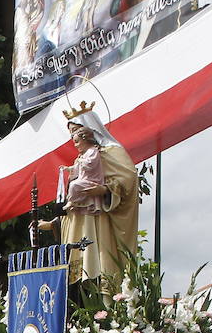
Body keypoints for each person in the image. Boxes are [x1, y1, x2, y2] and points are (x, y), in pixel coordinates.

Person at [35, 110, 139, 291]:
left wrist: (105, 189)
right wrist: (54, 224)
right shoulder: (80, 160)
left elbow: (129, 178)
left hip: (99, 222)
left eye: (76, 130)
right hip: (76, 226)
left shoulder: (110, 152)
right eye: (71, 133)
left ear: (89, 129)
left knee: (100, 273)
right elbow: (74, 200)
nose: (73, 136)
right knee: (76, 281)